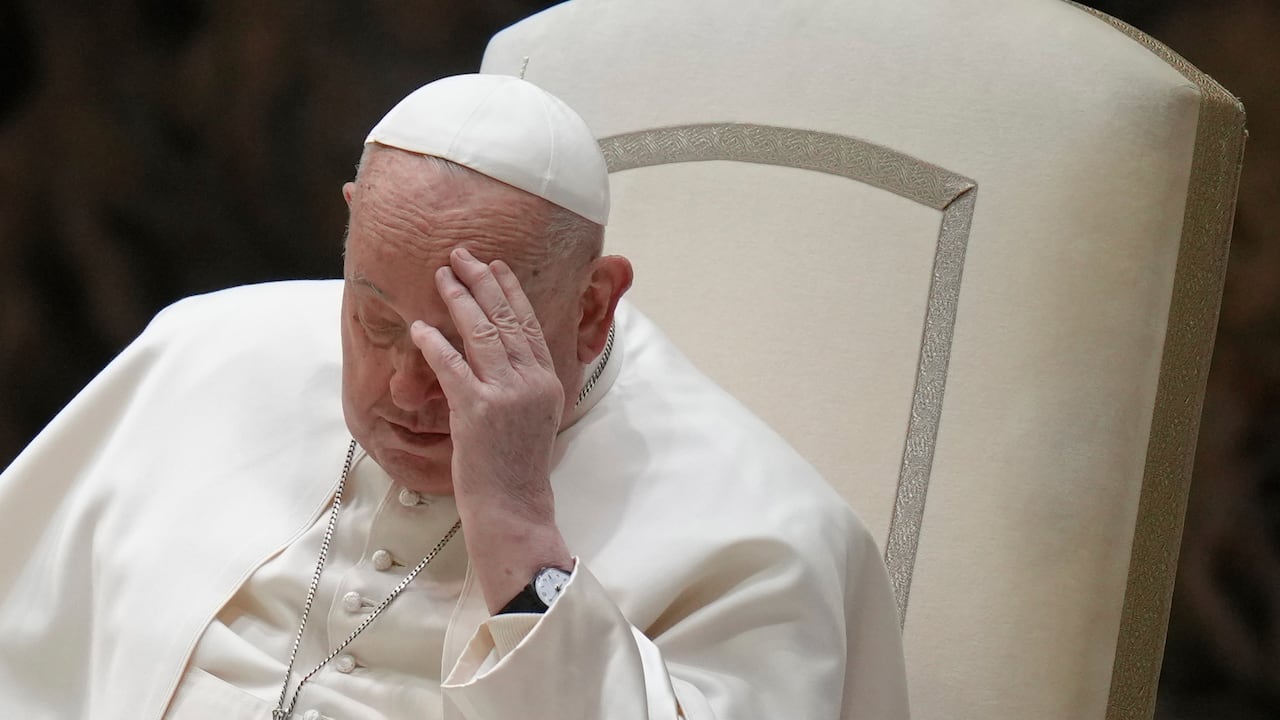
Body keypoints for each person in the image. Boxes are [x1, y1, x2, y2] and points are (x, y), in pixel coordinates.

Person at [0, 74, 909, 719]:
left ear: (592, 308)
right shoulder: (205, 354)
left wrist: (515, 520)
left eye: (466, 342)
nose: (404, 390)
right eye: (377, 323)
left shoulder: (766, 530)